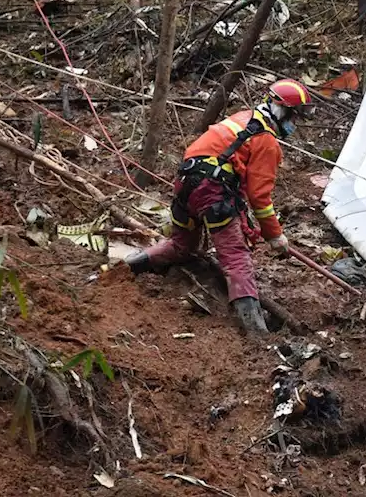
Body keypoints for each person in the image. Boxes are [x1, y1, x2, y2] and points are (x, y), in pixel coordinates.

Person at [123, 79, 314, 334]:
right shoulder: (266, 141)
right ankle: (257, 334)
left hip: (184, 184)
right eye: (295, 117)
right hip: (211, 193)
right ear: (283, 111)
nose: (294, 124)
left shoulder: (242, 118)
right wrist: (275, 235)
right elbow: (260, 198)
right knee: (236, 258)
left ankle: (127, 266)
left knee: (182, 246)